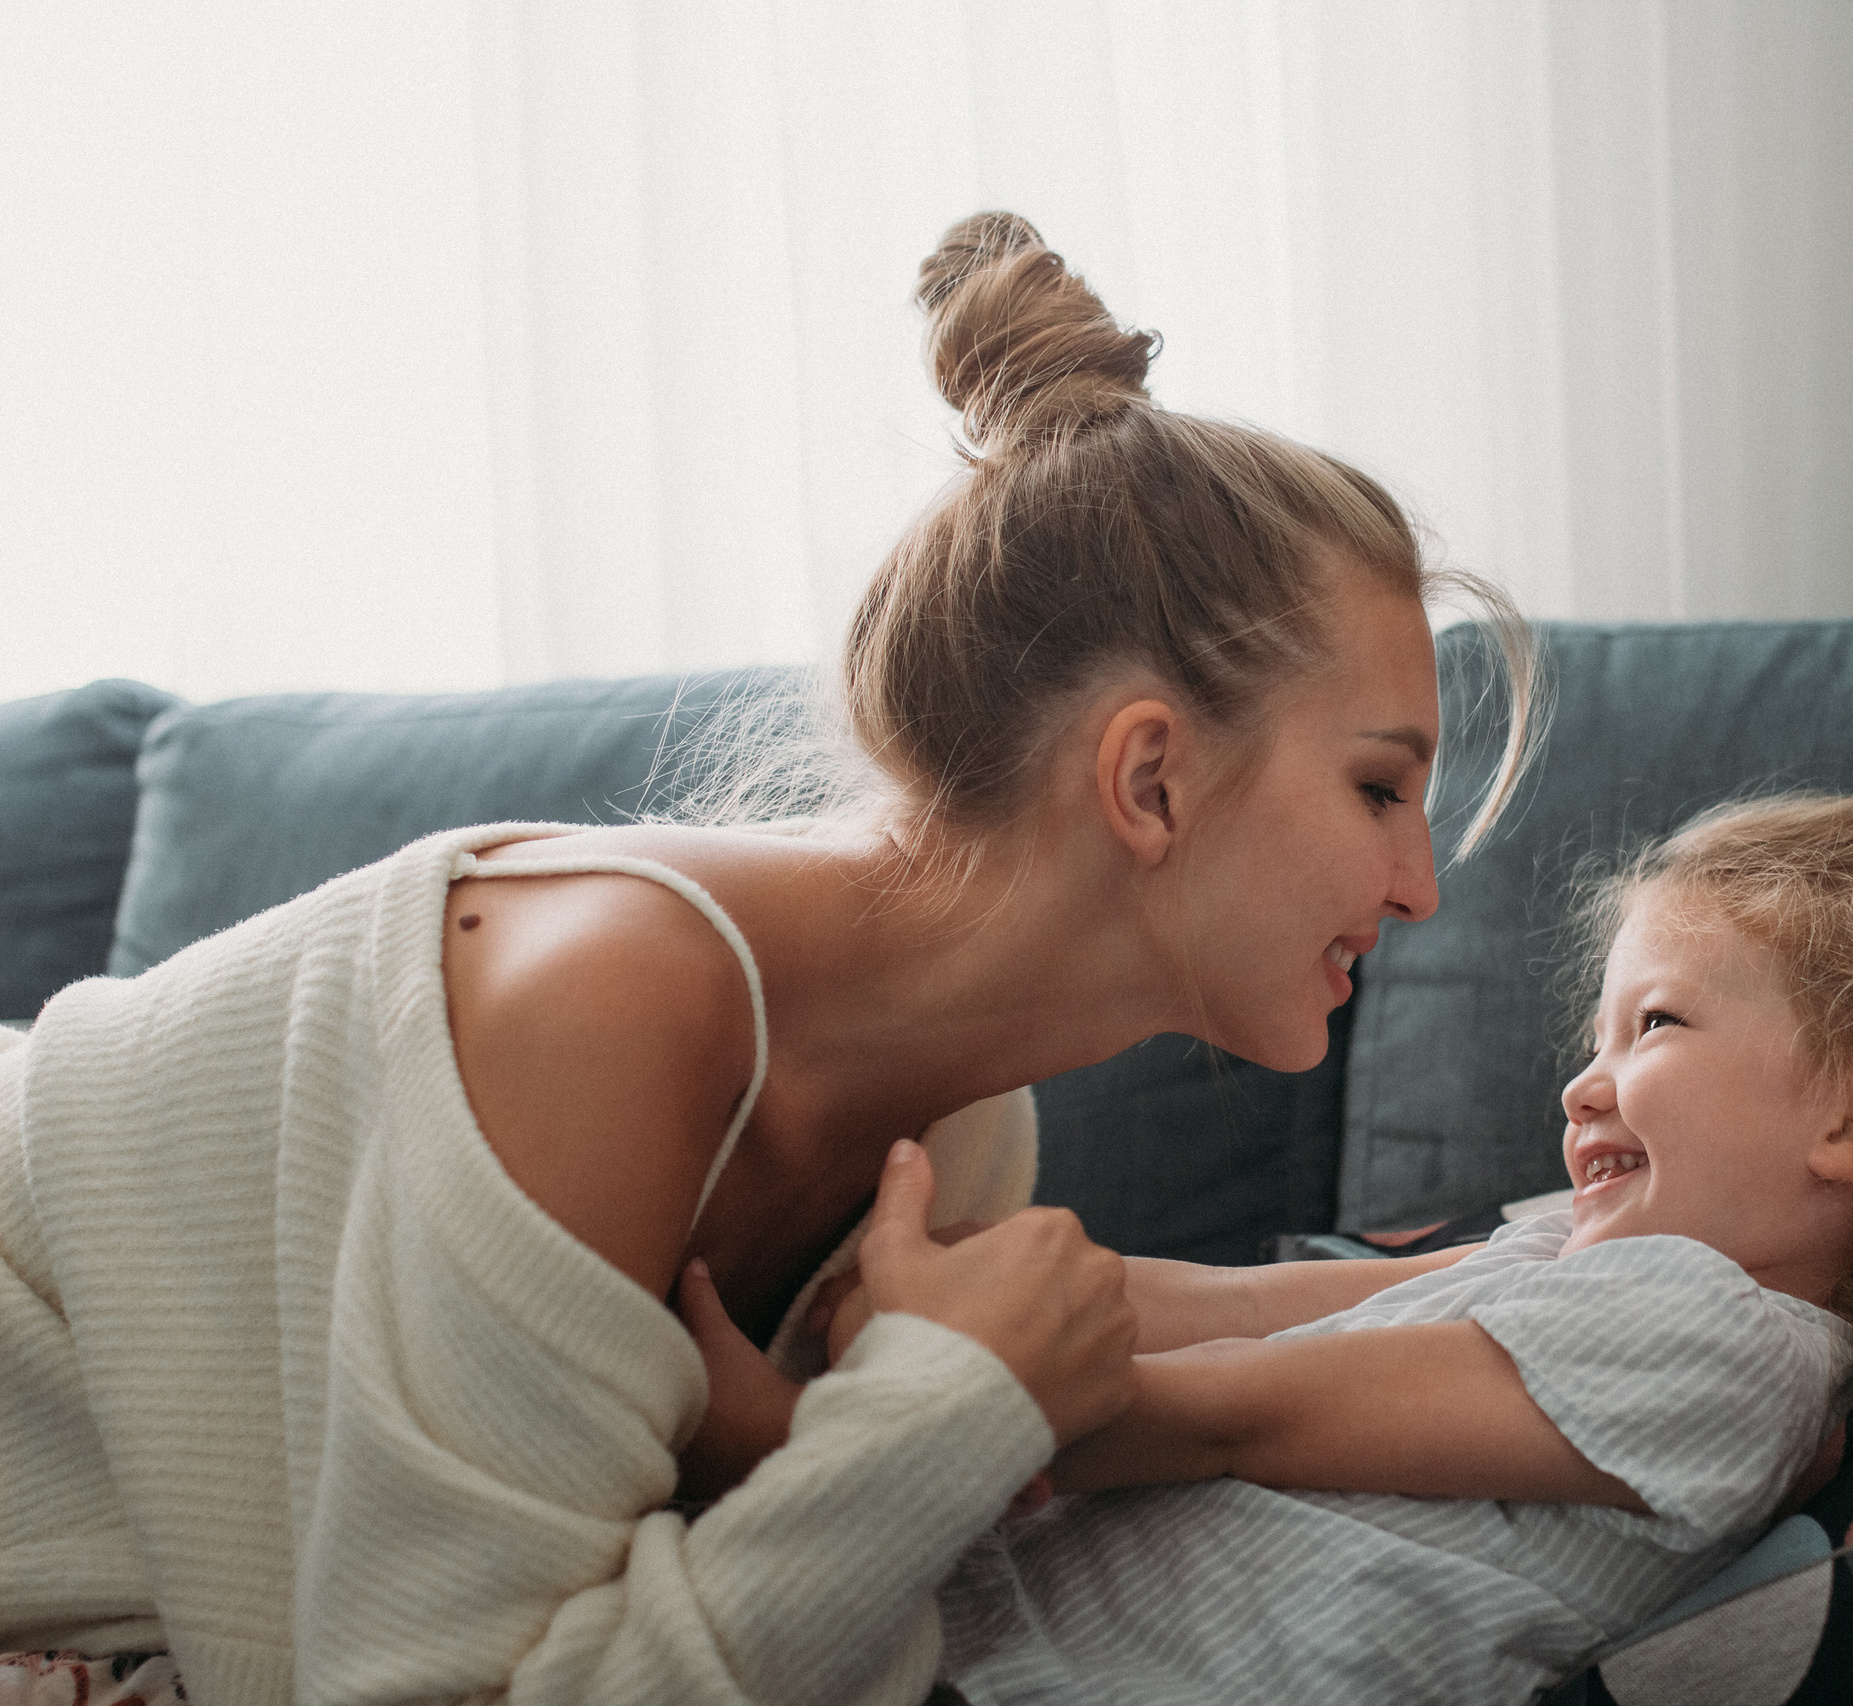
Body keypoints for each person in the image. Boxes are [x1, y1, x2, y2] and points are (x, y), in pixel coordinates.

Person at [0, 212, 1535, 1706]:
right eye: (1378, 788)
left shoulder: (958, 1125)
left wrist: (1513, 1266)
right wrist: (941, 1425)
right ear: (1149, 780)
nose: (1418, 890)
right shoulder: (607, 1009)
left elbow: (832, 1547)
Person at [684, 795, 1853, 1706]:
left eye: (1655, 1025)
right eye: (1597, 1034)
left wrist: (856, 1423)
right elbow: (1252, 1303)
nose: (1580, 1085)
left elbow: (1239, 1409)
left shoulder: (1735, 1354)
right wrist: (989, 1266)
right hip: (988, 1622)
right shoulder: (1581, 1255)